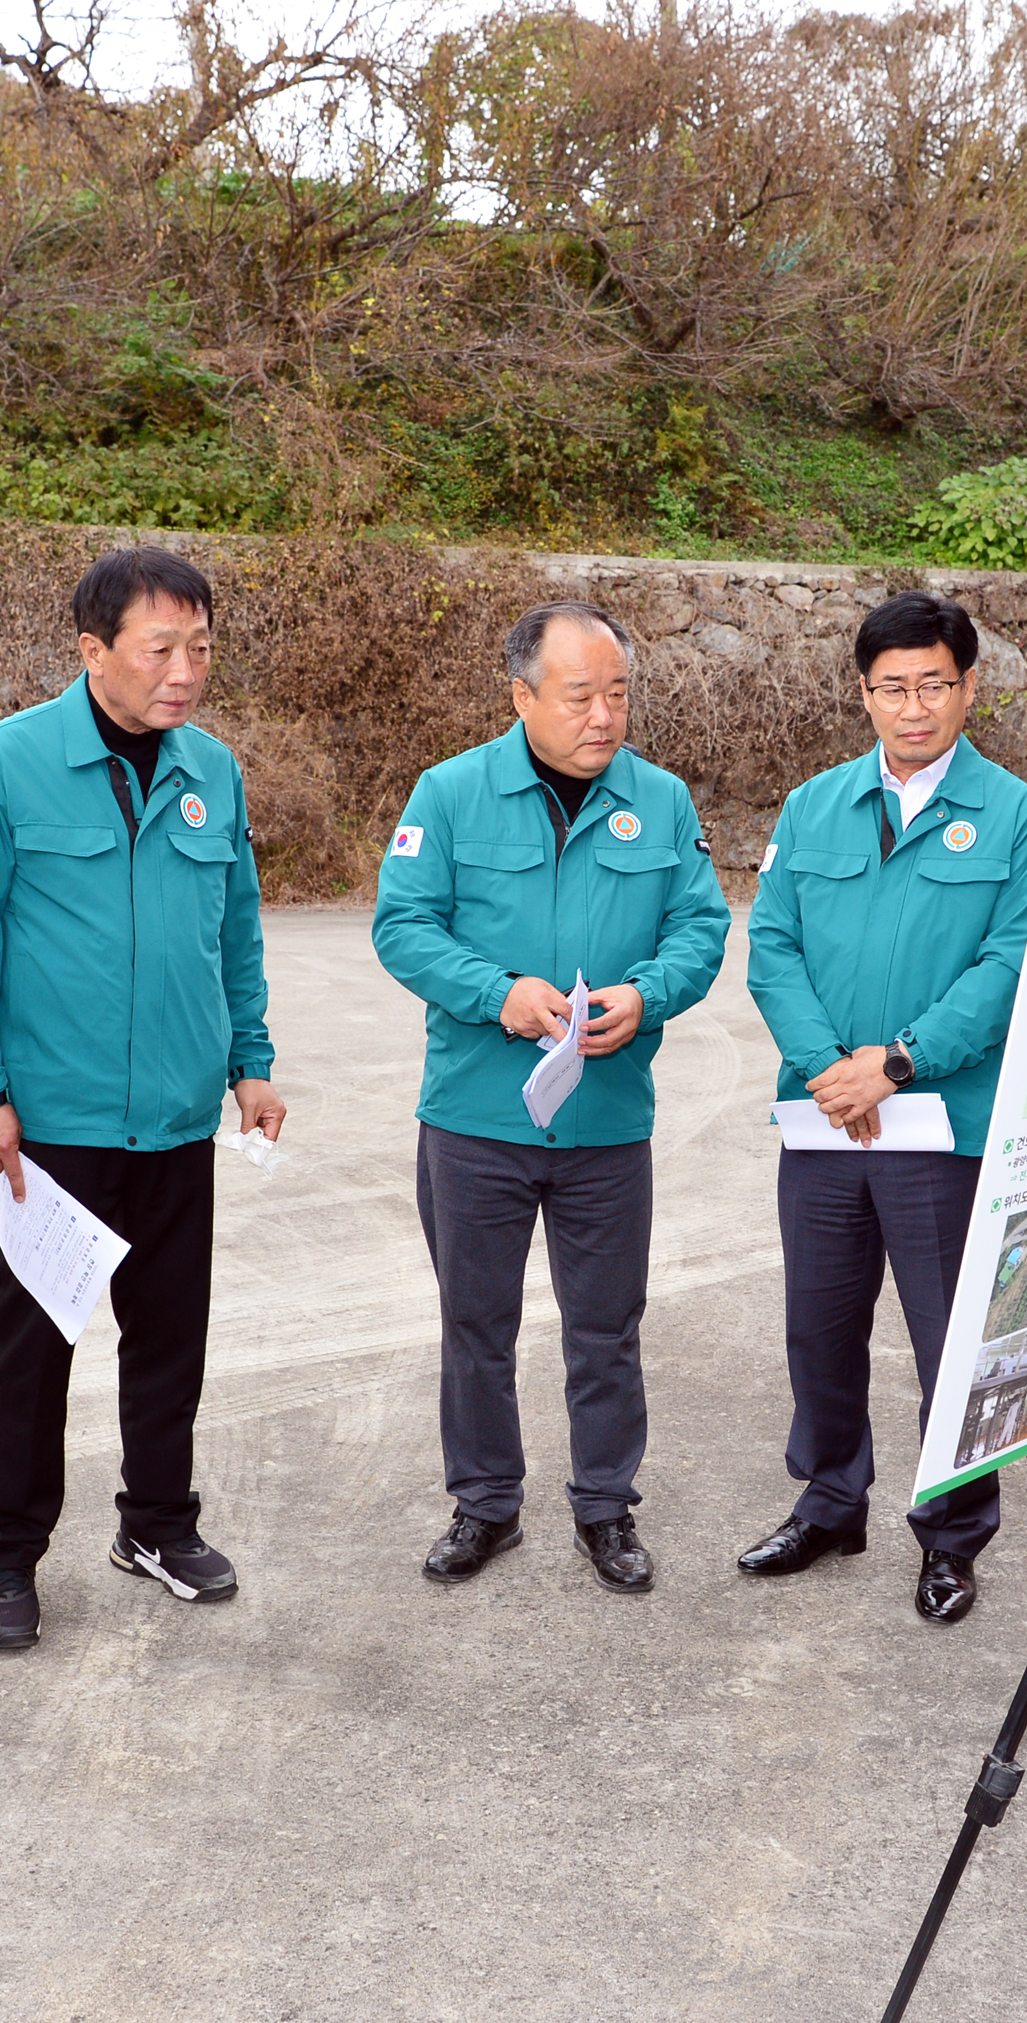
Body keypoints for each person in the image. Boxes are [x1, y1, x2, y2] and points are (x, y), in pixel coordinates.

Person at [0, 547, 286, 1644]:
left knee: (170, 1338)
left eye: (201, 648)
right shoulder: (0, 766)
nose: (183, 670)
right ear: (93, 651)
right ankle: (3, 1555)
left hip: (175, 1116)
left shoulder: (210, 770)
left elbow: (234, 930)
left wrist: (251, 1061)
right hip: (51, 1129)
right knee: (32, 1350)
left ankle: (158, 1525)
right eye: (159, 648)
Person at [372, 601, 732, 1594]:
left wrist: (645, 994)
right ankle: (483, 1503)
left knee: (605, 1328)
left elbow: (699, 932)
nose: (604, 716)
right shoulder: (447, 795)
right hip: (475, 1118)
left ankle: (605, 1509)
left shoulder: (659, 802)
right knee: (474, 1325)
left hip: (606, 1121)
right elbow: (402, 925)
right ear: (522, 695)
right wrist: (497, 993)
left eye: (617, 693)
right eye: (579, 696)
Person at [739, 591, 1027, 1625]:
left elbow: (1012, 962)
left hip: (940, 1127)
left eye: (932, 684)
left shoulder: (1014, 815)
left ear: (967, 688)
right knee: (819, 1329)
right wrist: (827, 1066)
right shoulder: (811, 807)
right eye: (890, 688)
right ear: (862, 692)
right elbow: (773, 945)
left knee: (944, 1339)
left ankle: (952, 1536)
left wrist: (902, 1061)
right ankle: (830, 1503)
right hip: (823, 1120)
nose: (911, 707)